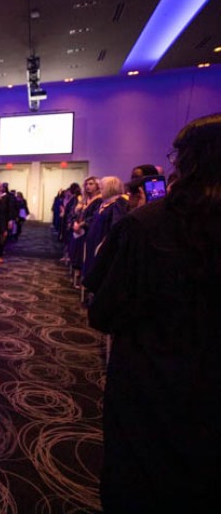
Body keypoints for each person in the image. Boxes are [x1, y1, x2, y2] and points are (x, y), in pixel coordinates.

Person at [83, 113, 221, 513]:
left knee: (141, 479)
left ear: (187, 162)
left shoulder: (146, 225)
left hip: (151, 379)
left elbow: (103, 310)